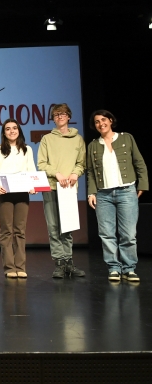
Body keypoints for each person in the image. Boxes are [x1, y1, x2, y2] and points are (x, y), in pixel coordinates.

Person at [86, 110, 148, 282]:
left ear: (111, 121)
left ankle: (129, 269)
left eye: (103, 120)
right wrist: (91, 192)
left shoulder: (126, 138)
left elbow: (139, 162)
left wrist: (142, 184)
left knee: (128, 233)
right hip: (103, 194)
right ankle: (114, 268)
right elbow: (90, 172)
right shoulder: (93, 145)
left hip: (126, 191)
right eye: (97, 122)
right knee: (106, 234)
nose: (101, 124)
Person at [37, 103, 86, 278]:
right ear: (53, 118)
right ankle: (59, 263)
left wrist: (75, 173)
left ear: (69, 116)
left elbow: (81, 163)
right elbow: (41, 164)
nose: (60, 117)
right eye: (56, 114)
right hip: (51, 186)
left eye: (63, 113)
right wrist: (56, 173)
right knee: (53, 226)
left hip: (69, 189)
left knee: (68, 226)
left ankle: (69, 262)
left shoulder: (78, 139)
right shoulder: (47, 139)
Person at [0, 119, 36, 278]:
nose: (12, 131)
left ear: (19, 130)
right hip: (3, 194)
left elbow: (31, 170)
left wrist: (33, 185)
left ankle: (20, 267)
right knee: (7, 231)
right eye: (8, 129)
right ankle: (9, 268)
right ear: (4, 133)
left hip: (22, 193)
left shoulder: (27, 149)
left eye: (14, 128)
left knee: (20, 231)